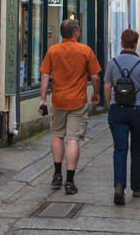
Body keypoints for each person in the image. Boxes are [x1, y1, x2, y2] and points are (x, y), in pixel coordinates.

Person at [39, 19, 102, 196]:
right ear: (76, 33)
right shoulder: (85, 50)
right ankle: (70, 181)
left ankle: (57, 173)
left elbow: (45, 76)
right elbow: (95, 77)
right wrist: (96, 94)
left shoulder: (53, 50)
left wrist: (43, 99)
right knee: (73, 139)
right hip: (78, 101)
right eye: (79, 30)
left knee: (57, 135)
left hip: (58, 100)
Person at [104, 28, 140, 205]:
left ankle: (119, 185)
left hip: (118, 109)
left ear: (121, 43)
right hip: (139, 110)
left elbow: (106, 86)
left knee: (119, 149)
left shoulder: (112, 63)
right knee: (137, 150)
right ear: (136, 45)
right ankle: (137, 188)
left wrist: (109, 105)